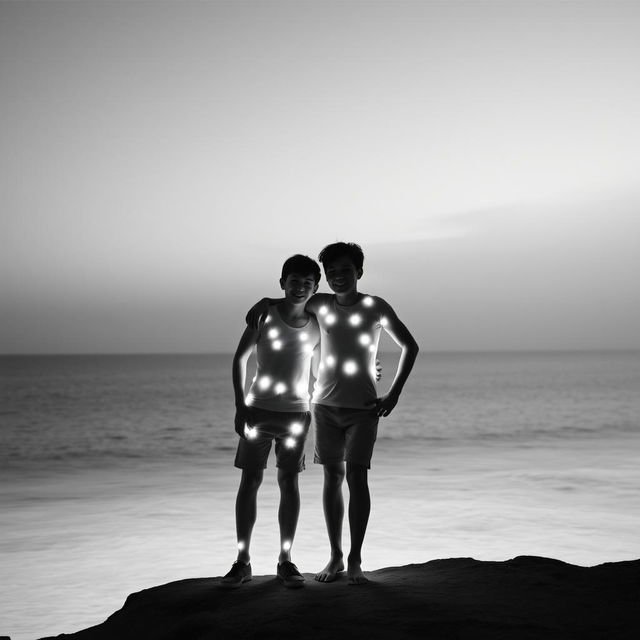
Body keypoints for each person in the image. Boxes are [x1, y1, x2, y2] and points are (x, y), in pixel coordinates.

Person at [246, 242, 419, 584]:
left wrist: (394, 392)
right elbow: (288, 299)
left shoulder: (375, 307)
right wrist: (264, 302)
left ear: (359, 272)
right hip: (323, 404)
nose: (338, 277)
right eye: (331, 272)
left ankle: (355, 559)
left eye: (345, 270)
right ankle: (336, 556)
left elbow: (410, 346)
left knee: (357, 476)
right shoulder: (320, 303)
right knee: (332, 478)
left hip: (364, 408)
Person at [222, 254, 321, 589]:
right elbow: (240, 359)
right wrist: (240, 405)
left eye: (308, 282)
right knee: (249, 483)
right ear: (282, 283)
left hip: (296, 414)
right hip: (258, 411)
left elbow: (325, 366)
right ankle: (242, 561)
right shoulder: (265, 315)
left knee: (289, 484)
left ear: (316, 287)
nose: (300, 287)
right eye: (294, 281)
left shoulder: (318, 323)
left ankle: (286, 560)